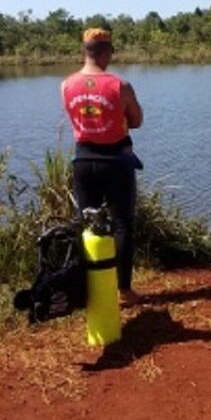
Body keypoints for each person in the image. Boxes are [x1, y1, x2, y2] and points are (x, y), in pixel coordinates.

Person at [61, 28, 143, 306]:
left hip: (83, 160)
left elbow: (75, 119)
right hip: (116, 161)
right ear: (107, 51)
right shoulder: (121, 86)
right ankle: (124, 291)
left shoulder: (66, 85)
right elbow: (137, 120)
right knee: (122, 225)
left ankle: (89, 289)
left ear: (84, 51)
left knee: (86, 225)